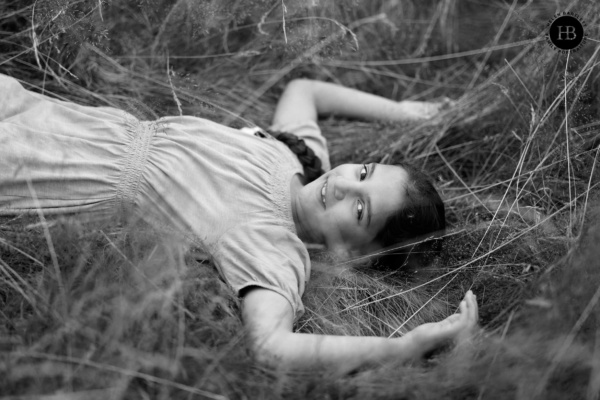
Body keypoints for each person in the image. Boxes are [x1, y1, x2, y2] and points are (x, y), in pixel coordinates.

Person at [0, 73, 478, 374]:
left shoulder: (273, 250)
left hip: (53, 172)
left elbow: (271, 348)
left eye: (359, 210)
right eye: (365, 172)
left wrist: (402, 348)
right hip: (55, 116)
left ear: (351, 253)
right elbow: (304, 89)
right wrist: (408, 113)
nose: (345, 184)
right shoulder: (301, 155)